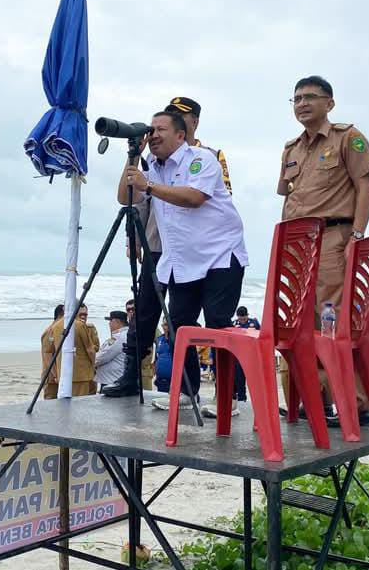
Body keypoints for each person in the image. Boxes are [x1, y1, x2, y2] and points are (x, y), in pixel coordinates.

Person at [104, 111, 248, 401]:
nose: (153, 135)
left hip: (220, 257)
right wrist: (132, 158)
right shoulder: (153, 168)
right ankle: (187, 390)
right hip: (182, 261)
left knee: (218, 324)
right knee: (180, 326)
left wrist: (149, 185)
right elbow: (125, 198)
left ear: (181, 135)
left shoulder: (201, 158)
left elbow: (194, 198)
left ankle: (229, 397)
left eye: (161, 129)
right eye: (151, 130)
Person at [277, 75, 369, 427]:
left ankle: (357, 404)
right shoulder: (291, 149)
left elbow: (365, 187)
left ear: (329, 103)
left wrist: (357, 237)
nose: (302, 103)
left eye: (310, 97)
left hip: (334, 238)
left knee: (333, 323)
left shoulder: (348, 137)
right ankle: (315, 402)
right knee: (301, 325)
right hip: (297, 247)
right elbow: (289, 197)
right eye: (296, 98)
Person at [202, 307, 257, 418]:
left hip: (250, 356)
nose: (241, 320)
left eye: (243, 318)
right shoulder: (234, 323)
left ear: (247, 315)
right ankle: (240, 401)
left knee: (253, 381)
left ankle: (250, 403)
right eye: (240, 318)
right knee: (238, 379)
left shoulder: (254, 323)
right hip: (237, 356)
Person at [48, 308, 98, 396]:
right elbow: (90, 350)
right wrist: (93, 367)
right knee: (81, 404)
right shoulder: (79, 325)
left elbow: (51, 353)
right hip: (81, 375)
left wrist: (55, 373)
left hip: (63, 374)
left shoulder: (55, 326)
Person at [95, 311, 129, 390]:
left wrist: (90, 363)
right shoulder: (126, 334)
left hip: (112, 380)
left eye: (110, 321)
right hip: (118, 377)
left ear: (117, 322)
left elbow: (103, 356)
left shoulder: (118, 337)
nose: (109, 324)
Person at [40, 304, 65, 399]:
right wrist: (57, 375)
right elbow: (48, 355)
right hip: (51, 378)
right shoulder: (50, 331)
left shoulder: (60, 330)